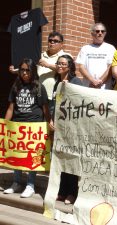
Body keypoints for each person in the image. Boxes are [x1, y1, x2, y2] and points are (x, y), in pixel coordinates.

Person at [4, 58, 50, 198]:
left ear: (32, 71)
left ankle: (30, 185)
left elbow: (45, 109)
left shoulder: (39, 87)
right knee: (17, 154)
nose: (24, 73)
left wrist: (49, 125)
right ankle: (16, 183)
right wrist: (5, 125)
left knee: (33, 157)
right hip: (18, 126)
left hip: (34, 128)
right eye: (22, 70)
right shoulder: (16, 86)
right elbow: (11, 107)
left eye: (27, 70)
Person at [9, 31, 71, 116]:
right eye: (50, 40)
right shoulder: (40, 55)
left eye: (56, 41)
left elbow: (67, 70)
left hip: (55, 96)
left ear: (61, 44)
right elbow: (29, 70)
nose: (52, 42)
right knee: (40, 121)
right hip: (38, 95)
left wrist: (48, 65)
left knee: (53, 123)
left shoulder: (65, 56)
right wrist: (15, 70)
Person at [50, 54, 82, 205]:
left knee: (71, 160)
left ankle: (72, 193)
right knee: (61, 159)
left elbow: (81, 102)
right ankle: (62, 191)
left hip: (73, 127)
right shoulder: (56, 82)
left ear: (70, 66)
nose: (60, 66)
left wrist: (69, 87)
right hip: (59, 128)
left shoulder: (77, 82)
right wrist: (51, 119)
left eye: (63, 64)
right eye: (58, 63)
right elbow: (54, 104)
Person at [76, 22, 116, 89]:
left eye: (102, 31)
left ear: (105, 33)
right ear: (92, 33)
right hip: (88, 87)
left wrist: (99, 82)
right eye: (97, 31)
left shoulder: (111, 48)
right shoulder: (85, 48)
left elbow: (111, 67)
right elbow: (81, 67)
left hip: (104, 88)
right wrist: (92, 81)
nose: (100, 33)